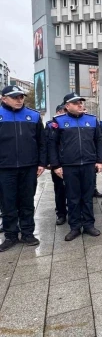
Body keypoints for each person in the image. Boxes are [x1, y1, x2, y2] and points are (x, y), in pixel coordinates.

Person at [50, 93, 102, 241]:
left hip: (88, 164)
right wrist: (55, 165)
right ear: (67, 106)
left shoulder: (92, 120)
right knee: (73, 198)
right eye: (76, 103)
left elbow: (99, 141)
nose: (80, 105)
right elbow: (53, 144)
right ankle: (75, 227)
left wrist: (100, 160)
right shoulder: (59, 121)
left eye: (81, 102)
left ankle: (88, 224)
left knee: (87, 197)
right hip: (69, 165)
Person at [0, 85, 46, 251]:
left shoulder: (33, 116)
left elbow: (42, 142)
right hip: (5, 168)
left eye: (21, 97)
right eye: (15, 97)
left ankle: (27, 233)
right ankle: (11, 235)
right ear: (3, 98)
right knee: (7, 203)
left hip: (28, 167)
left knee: (27, 202)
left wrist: (41, 163)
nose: (19, 100)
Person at [46, 104, 67, 225]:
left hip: (71, 163)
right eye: (63, 111)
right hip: (58, 163)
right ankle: (61, 213)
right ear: (59, 112)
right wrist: (53, 164)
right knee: (60, 190)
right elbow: (49, 145)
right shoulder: (50, 125)